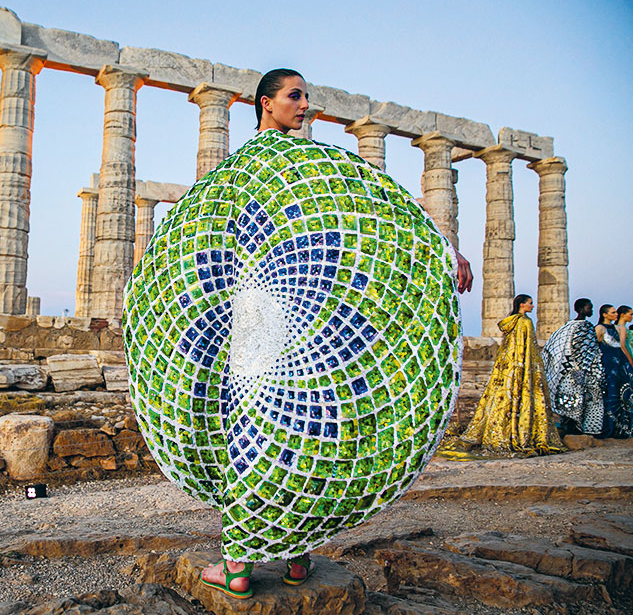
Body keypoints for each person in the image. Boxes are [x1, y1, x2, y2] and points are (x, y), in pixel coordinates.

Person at [123, 68, 470, 600]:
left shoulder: (274, 168)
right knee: (275, 424)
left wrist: (442, 250)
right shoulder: (284, 167)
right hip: (261, 310)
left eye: (305, 96)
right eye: (295, 96)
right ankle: (287, 557)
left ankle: (250, 561)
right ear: (266, 104)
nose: (305, 105)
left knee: (279, 427)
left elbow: (375, 213)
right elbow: (204, 233)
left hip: (288, 309)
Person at [459, 294, 566, 455]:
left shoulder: (510, 322)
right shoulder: (525, 322)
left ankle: (500, 433)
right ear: (522, 305)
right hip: (523, 366)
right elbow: (530, 348)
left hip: (508, 368)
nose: (532, 306)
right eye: (530, 303)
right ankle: (521, 436)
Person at [541, 298, 603, 435]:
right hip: (580, 370)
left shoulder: (567, 326)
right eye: (588, 308)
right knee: (581, 400)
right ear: (581, 310)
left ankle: (569, 427)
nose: (591, 310)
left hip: (567, 371)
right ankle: (578, 429)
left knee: (571, 401)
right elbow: (589, 351)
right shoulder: (585, 327)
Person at [594, 305, 633, 438]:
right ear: (605, 315)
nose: (616, 314)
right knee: (609, 395)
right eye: (613, 312)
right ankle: (608, 426)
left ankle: (621, 427)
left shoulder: (617, 328)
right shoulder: (600, 328)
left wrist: (629, 363)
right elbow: (595, 347)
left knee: (621, 394)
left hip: (619, 365)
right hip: (607, 365)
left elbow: (622, 347)